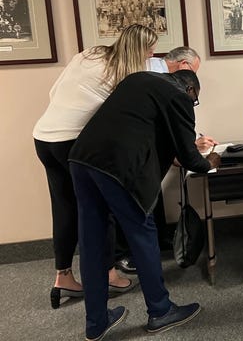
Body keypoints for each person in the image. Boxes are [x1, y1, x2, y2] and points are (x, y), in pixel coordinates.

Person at [69, 70, 221, 341]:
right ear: (190, 90)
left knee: (93, 242)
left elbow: (142, 131)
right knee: (142, 234)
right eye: (195, 100)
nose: (193, 104)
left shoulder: (138, 79)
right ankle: (161, 311)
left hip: (82, 159)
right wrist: (210, 161)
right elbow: (189, 157)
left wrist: (184, 149)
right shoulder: (179, 97)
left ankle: (96, 322)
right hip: (117, 167)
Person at [33, 24, 158, 309]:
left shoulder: (89, 55)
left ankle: (63, 276)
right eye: (150, 49)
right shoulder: (125, 76)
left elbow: (55, 91)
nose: (153, 53)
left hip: (44, 136)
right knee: (100, 210)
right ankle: (109, 273)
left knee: (64, 207)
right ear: (140, 49)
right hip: (73, 143)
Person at [114, 45, 217, 274]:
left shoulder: (149, 75)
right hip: (124, 153)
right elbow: (167, 129)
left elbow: (163, 129)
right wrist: (205, 161)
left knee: (149, 196)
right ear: (184, 66)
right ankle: (128, 256)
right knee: (133, 202)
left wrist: (185, 148)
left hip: (112, 148)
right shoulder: (165, 83)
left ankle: (155, 243)